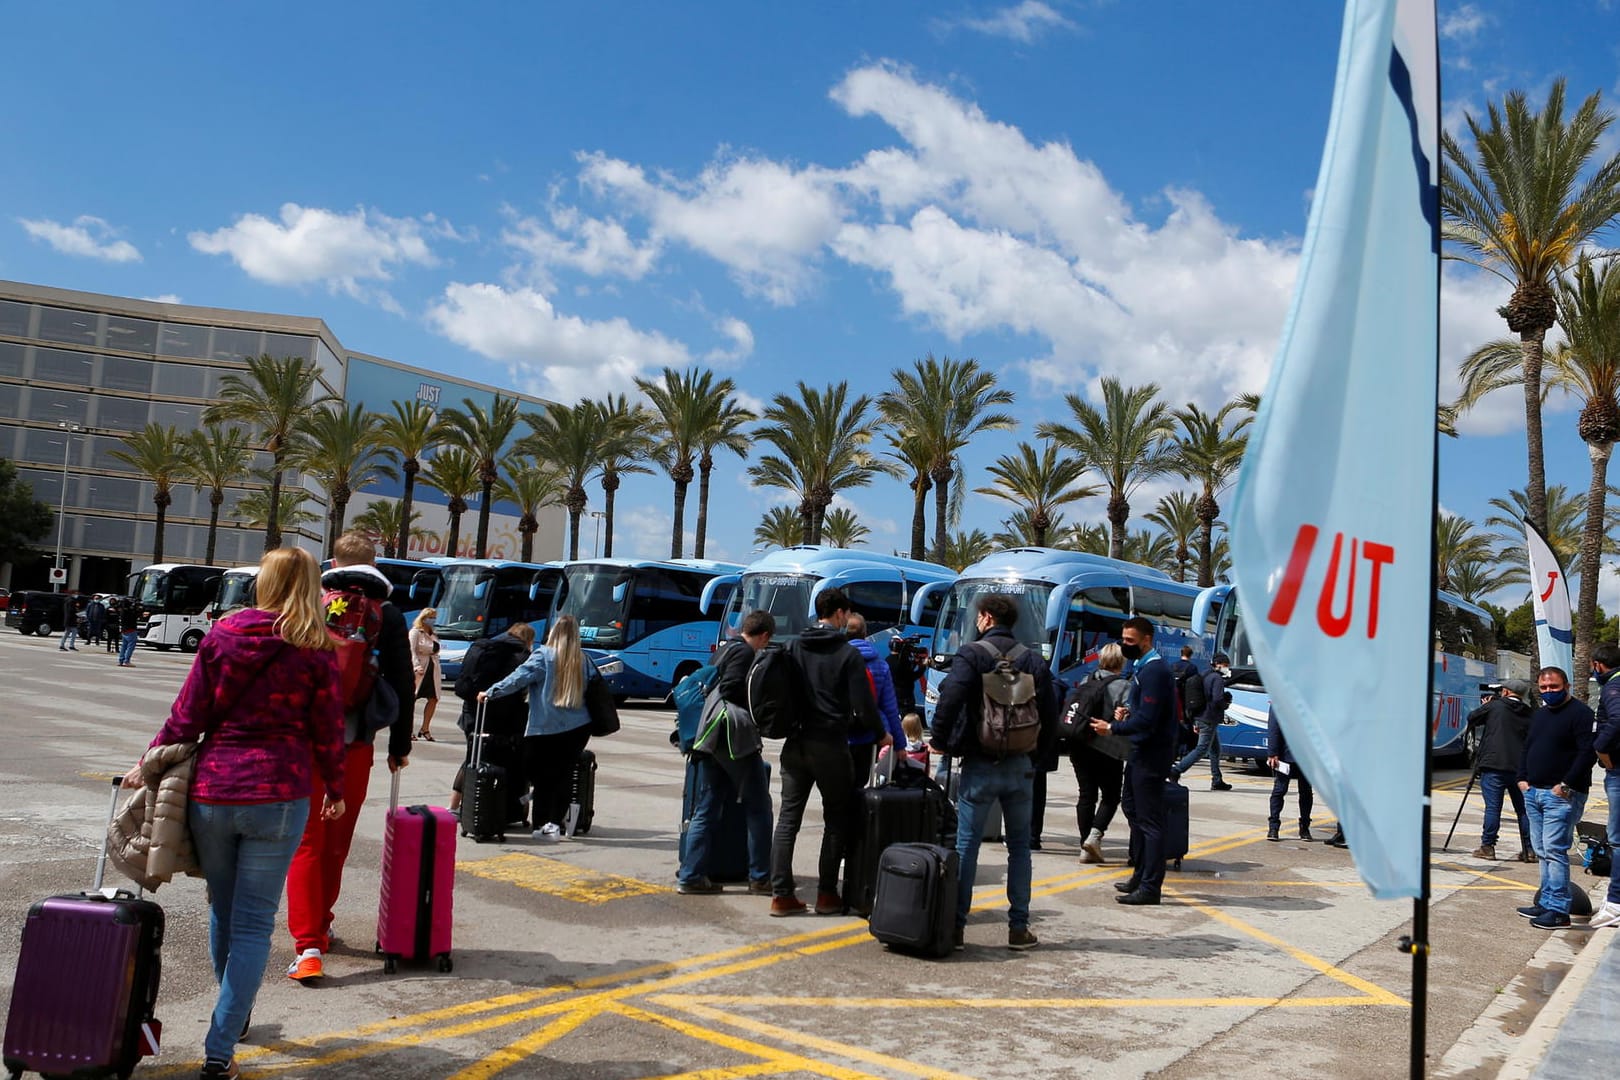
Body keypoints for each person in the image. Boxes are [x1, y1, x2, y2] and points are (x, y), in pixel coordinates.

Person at [123, 546, 346, 1079]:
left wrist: (145, 763)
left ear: (263, 584)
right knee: (252, 924)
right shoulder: (317, 647)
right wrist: (334, 786)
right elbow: (328, 729)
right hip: (279, 792)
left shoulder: (222, 635)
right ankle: (220, 1047)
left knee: (223, 910)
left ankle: (234, 1015)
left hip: (214, 791)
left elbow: (187, 714)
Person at [285, 532, 414, 983]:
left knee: (306, 842)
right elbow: (402, 684)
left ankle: (308, 947)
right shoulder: (389, 614)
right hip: (356, 744)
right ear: (375, 562)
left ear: (334, 561)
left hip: (303, 743)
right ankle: (322, 923)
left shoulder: (311, 606)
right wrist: (400, 745)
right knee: (337, 842)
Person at [932, 594, 1058, 948]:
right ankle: (1018, 928)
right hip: (1021, 766)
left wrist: (941, 740)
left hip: (980, 762)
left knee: (967, 844)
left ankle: (956, 926)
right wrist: (1036, 759)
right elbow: (1051, 715)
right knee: (1019, 847)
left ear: (986, 618)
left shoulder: (972, 654)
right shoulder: (1032, 659)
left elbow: (951, 698)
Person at [769, 587, 884, 917]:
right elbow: (864, 707)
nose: (847, 619)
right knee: (836, 818)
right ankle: (826, 895)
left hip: (796, 743)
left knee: (788, 818)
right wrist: (882, 733)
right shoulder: (847, 654)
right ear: (837, 614)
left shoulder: (793, 647)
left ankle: (781, 895)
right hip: (831, 745)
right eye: (846, 613)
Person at [678, 609, 776, 895]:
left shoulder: (723, 651)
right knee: (759, 805)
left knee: (707, 807)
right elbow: (732, 689)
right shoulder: (745, 654)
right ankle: (759, 877)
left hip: (708, 738)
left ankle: (691, 875)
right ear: (764, 635)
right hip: (731, 740)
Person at [480, 614, 595, 840]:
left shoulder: (544, 655)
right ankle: (553, 825)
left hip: (545, 727)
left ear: (553, 633)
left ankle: (540, 825)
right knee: (564, 776)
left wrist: (490, 692)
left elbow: (517, 679)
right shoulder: (583, 659)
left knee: (541, 779)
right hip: (578, 727)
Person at [1091, 616, 1177, 906]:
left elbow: (1149, 720)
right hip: (1140, 751)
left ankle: (1151, 886)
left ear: (1146, 639)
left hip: (1152, 754)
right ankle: (1140, 873)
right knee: (1132, 809)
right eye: (1123, 639)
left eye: (1130, 641)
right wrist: (1127, 713)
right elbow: (1142, 712)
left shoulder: (1154, 671)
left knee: (1150, 821)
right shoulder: (1142, 668)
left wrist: (1112, 728)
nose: (1124, 645)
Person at [1516, 666, 1597, 930]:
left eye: (1554, 687)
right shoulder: (1540, 715)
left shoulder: (1581, 714)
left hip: (1561, 795)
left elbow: (1587, 753)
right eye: (1544, 688)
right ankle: (1546, 901)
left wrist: (1565, 784)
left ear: (1567, 686)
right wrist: (1522, 778)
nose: (1549, 692)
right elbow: (1528, 746)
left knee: (1554, 850)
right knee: (1542, 850)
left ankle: (1559, 910)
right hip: (1534, 792)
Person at [449, 621, 535, 817]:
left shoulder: (483, 647)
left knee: (472, 759)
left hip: (471, 713)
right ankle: (498, 808)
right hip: (500, 719)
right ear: (528, 640)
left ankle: (456, 806)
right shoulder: (521, 656)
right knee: (500, 761)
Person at [1069, 643, 1133, 864]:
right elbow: (1128, 717)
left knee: (1086, 794)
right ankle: (1094, 837)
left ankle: (1084, 844)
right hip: (1107, 747)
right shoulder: (1125, 686)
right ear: (1121, 661)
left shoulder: (1088, 679)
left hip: (1080, 744)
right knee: (1111, 796)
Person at [1464, 679, 1535, 861]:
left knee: (1493, 808)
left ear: (1505, 692)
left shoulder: (1495, 707)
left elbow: (1472, 718)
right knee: (1523, 810)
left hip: (1494, 764)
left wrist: (1487, 706)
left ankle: (1488, 846)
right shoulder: (1529, 712)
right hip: (1520, 768)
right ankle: (1529, 849)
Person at [845, 612, 905, 782]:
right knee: (860, 783)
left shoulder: (838, 660)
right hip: (868, 733)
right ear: (865, 633)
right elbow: (890, 708)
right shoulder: (879, 665)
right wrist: (900, 744)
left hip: (840, 734)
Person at [1172, 652, 1233, 791]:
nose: (1227, 668)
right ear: (1218, 664)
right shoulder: (1217, 678)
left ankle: (1217, 780)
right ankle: (1176, 770)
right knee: (1202, 749)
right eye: (1225, 665)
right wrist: (1226, 703)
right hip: (1209, 718)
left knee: (1215, 750)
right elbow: (1217, 699)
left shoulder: (1204, 675)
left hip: (1200, 716)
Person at [1593, 644, 1620, 929]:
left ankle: (1615, 903)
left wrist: (1601, 749)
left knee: (1617, 838)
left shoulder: (1613, 688)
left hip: (1618, 770)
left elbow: (1617, 720)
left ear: (1599, 665)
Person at [1265, 708, 1313, 842]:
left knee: (1306, 792)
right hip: (1285, 755)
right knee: (1280, 790)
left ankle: (1305, 827)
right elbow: (1274, 728)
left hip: (1307, 756)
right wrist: (1272, 753)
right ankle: (1273, 826)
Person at [409, 608, 443, 741]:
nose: (433, 620)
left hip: (433, 669)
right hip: (420, 669)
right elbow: (411, 651)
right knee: (412, 700)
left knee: (433, 699)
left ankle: (425, 728)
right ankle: (408, 730)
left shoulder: (433, 634)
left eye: (434, 617)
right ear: (423, 618)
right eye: (431, 617)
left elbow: (436, 650)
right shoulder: (415, 632)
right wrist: (416, 666)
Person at [117, 595, 141, 666]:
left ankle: (121, 660)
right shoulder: (129, 611)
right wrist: (136, 609)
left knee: (124, 646)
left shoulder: (122, 611)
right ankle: (126, 660)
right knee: (130, 646)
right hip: (131, 629)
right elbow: (135, 616)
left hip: (124, 630)